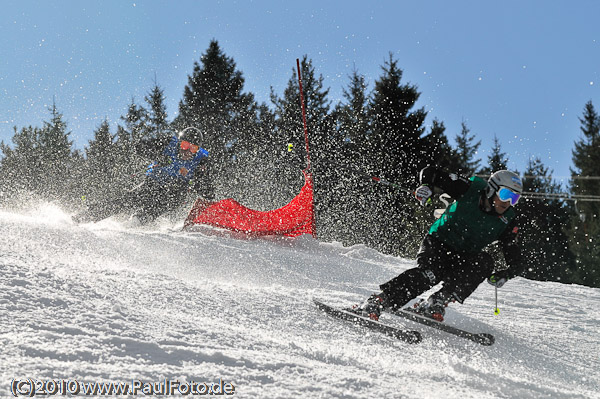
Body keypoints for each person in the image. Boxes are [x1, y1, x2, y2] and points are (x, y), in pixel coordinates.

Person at [352, 165, 525, 322]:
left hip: (464, 257)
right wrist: (425, 186)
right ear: (491, 189)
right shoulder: (469, 188)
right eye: (505, 195)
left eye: (514, 198)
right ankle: (380, 300)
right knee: (430, 274)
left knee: (485, 261)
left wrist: (507, 274)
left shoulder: (507, 221)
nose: (508, 202)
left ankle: (438, 300)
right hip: (438, 243)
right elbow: (431, 172)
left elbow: (515, 256)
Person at [73, 131, 212, 224]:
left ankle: (139, 219)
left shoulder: (200, 160)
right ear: (179, 143)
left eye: (193, 148)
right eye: (185, 145)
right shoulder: (168, 142)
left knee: (172, 198)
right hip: (154, 183)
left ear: (198, 150)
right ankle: (88, 216)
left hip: (174, 192)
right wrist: (158, 156)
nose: (187, 151)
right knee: (130, 199)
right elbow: (139, 147)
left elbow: (208, 192)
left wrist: (199, 178)